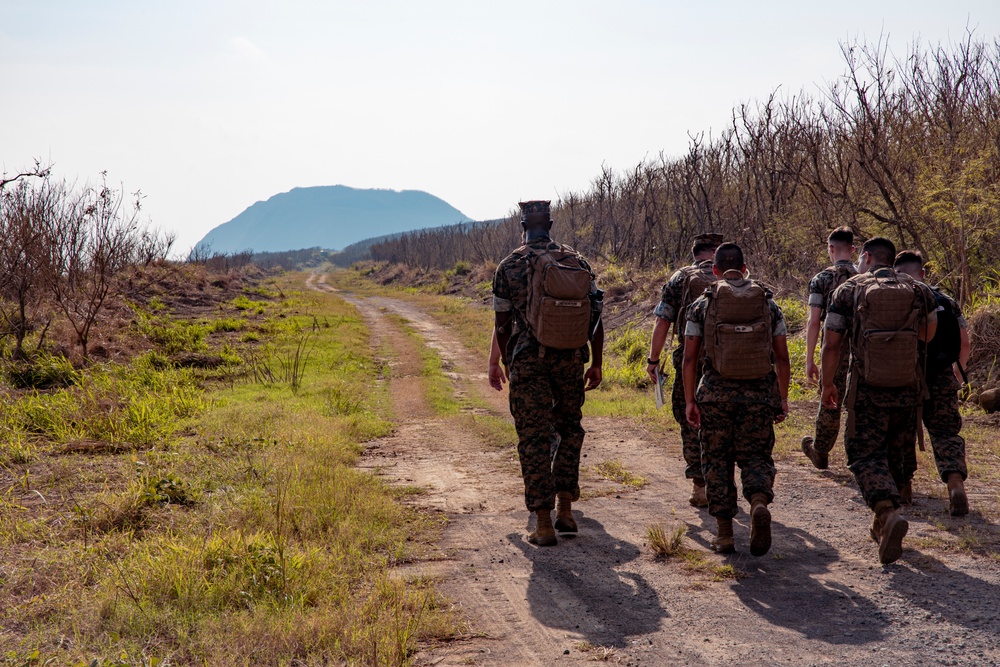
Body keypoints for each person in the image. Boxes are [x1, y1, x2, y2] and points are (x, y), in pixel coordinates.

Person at [492, 200, 604, 547]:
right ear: (551, 225)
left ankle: (542, 520)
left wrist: (507, 361)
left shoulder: (510, 265)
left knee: (533, 436)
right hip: (570, 359)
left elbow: (501, 324)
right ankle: (566, 509)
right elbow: (596, 319)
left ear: (521, 225)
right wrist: (596, 362)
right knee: (569, 428)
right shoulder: (576, 262)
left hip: (529, 360)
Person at [821, 237, 937, 565]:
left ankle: (886, 512)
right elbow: (928, 335)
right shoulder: (919, 290)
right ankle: (883, 523)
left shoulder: (848, 290)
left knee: (863, 454)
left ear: (867, 258)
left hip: (867, 390)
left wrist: (828, 383)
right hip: (907, 388)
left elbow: (831, 344)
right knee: (896, 454)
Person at [682, 242, 790, 556]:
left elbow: (690, 359)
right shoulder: (767, 303)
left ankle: (725, 534)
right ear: (745, 269)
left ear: (714, 270)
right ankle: (758, 502)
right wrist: (781, 399)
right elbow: (782, 358)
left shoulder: (703, 303)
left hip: (715, 396)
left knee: (717, 461)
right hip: (758, 395)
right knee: (756, 456)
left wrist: (690, 400)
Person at [646, 232, 724, 507]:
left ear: (696, 253)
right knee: (725, 420)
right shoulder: (736, 275)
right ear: (717, 252)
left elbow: (663, 321)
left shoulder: (680, 278)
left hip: (690, 359)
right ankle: (724, 481)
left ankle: (699, 486)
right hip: (730, 363)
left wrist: (653, 360)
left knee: (689, 417)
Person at [892, 250, 970, 515]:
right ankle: (954, 483)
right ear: (922, 273)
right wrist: (958, 372)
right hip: (941, 374)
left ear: (896, 271)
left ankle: (904, 490)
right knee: (946, 432)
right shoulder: (945, 300)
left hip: (904, 376)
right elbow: (964, 340)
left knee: (902, 433)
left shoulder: (895, 298)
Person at [802, 227, 857, 469]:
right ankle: (858, 455)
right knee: (859, 402)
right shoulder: (865, 275)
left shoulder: (821, 279)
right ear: (853, 250)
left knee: (830, 398)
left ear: (830, 249)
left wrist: (809, 358)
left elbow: (814, 321)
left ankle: (821, 450)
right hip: (863, 349)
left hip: (832, 347)